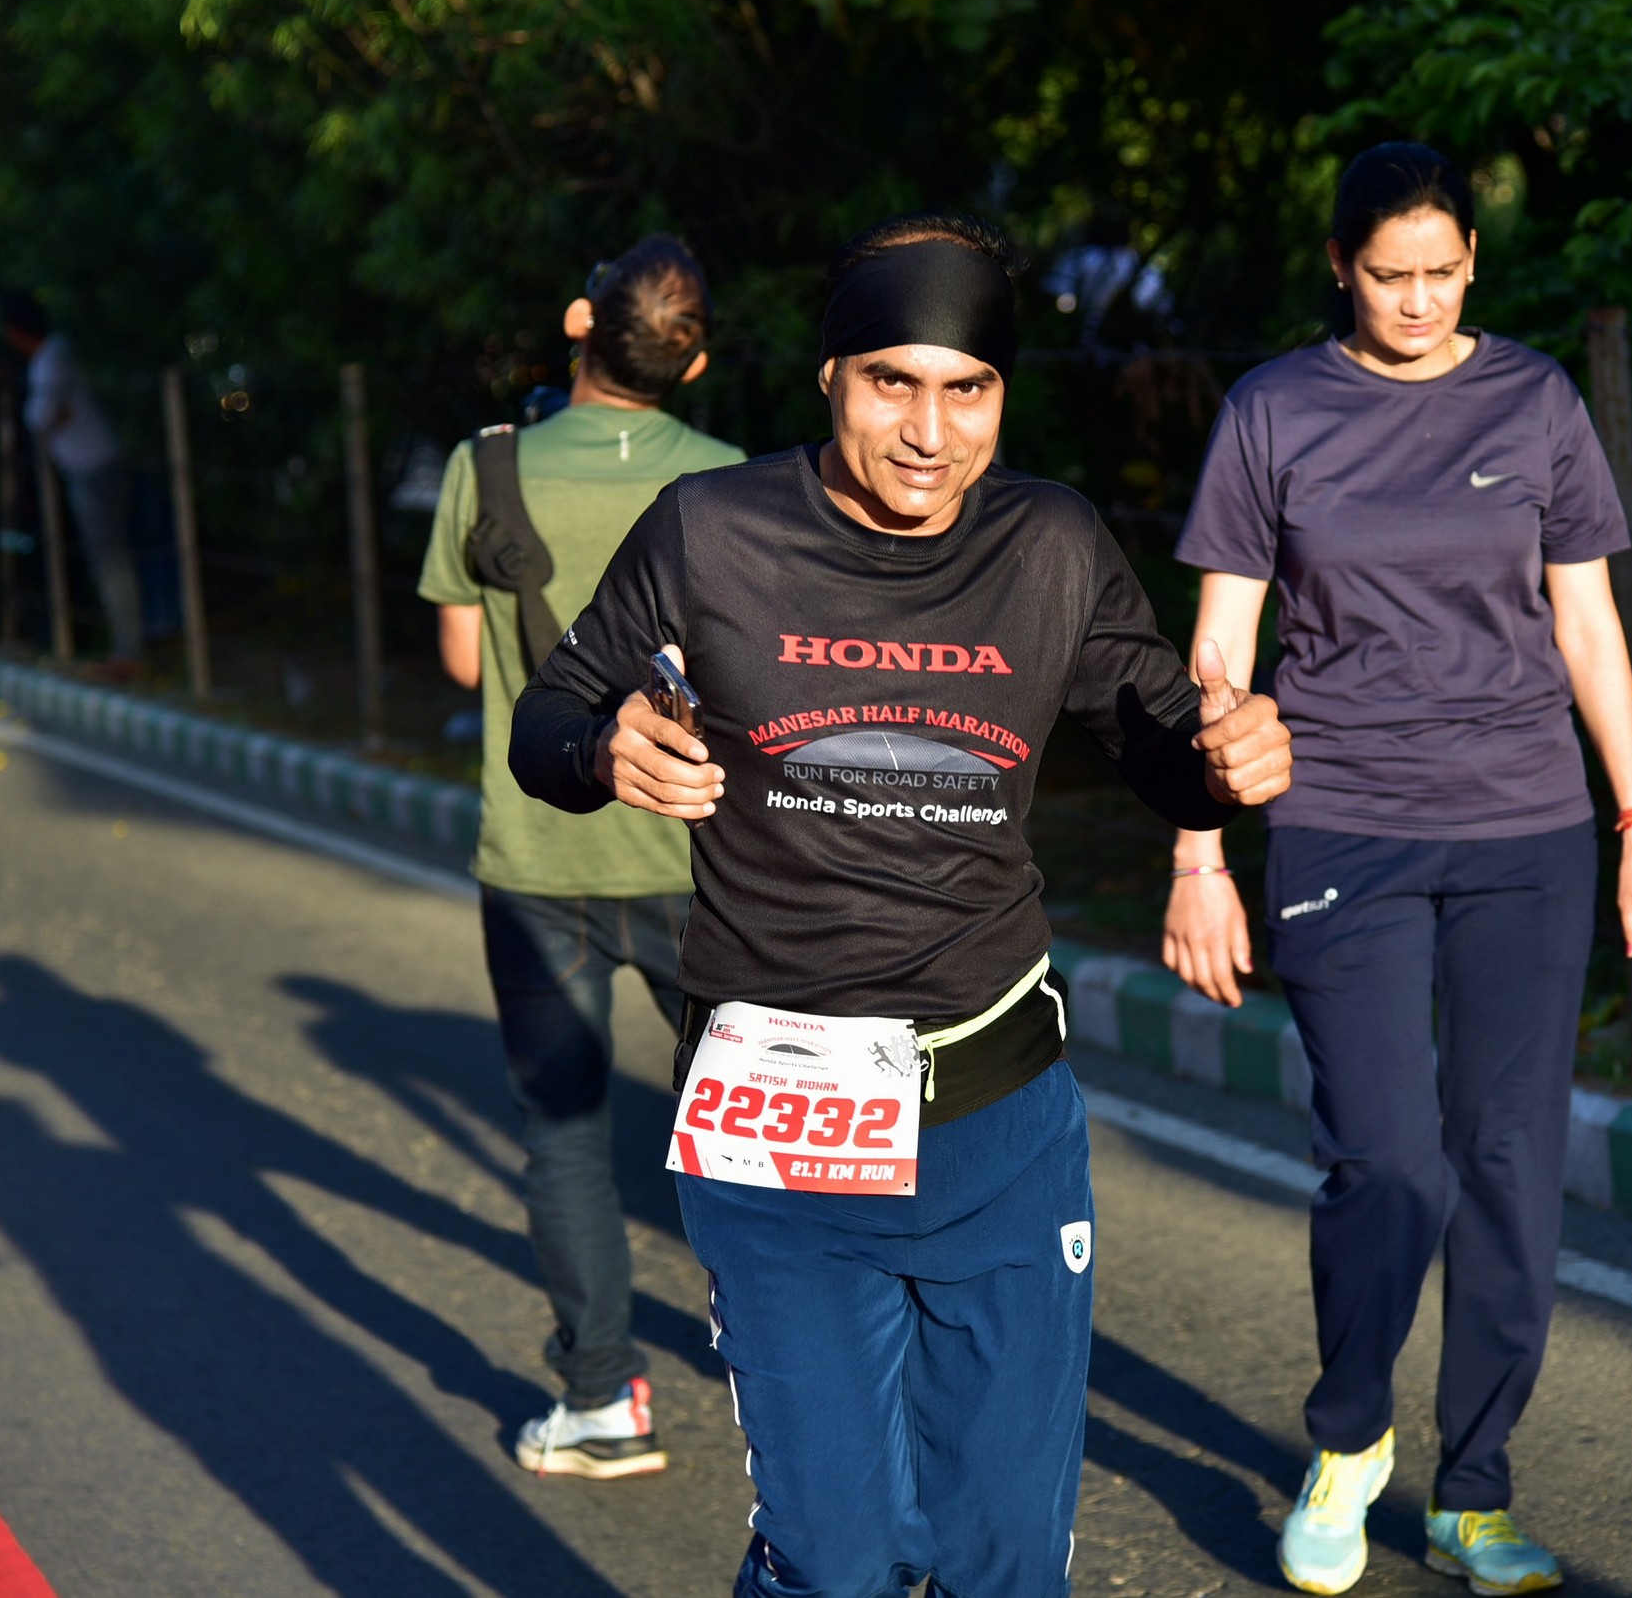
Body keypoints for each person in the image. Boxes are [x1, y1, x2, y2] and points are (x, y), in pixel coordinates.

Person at [510, 213, 1294, 1598]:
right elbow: (546, 717)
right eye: (891, 383)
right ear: (830, 375)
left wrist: (1228, 764)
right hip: (778, 1123)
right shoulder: (711, 529)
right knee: (837, 1562)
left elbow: (1170, 753)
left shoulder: (1049, 541)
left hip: (998, 1125)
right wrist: (601, 749)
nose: (929, 433)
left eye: (967, 389)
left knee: (1004, 1565)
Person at [1161, 143, 1632, 1596]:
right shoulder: (1273, 409)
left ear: (1472, 258)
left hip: (1524, 829)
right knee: (1385, 1157)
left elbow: (1586, 625)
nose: (1415, 302)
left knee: (1507, 1161)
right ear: (1338, 269)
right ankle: (1349, 1436)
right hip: (1340, 821)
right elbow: (1219, 648)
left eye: (1441, 273)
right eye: (1385, 276)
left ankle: (1473, 1489)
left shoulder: (1534, 400)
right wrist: (1195, 847)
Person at [417, 237, 742, 1478]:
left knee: (563, 1130)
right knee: (748, 1130)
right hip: (702, 861)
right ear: (693, 363)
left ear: (576, 325)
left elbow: (464, 663)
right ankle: (791, 1375)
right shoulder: (732, 481)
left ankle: (601, 1397)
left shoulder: (486, 465)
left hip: (539, 855)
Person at [1, 295, 144, 671]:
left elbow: (39, 417)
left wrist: (42, 413)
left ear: (15, 332)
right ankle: (123, 647)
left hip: (94, 468)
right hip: (86, 468)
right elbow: (46, 415)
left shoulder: (52, 357)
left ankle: (128, 651)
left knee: (109, 561)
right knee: (105, 560)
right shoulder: (51, 356)